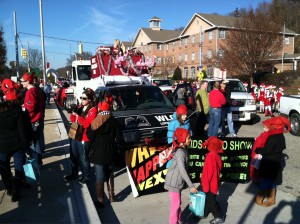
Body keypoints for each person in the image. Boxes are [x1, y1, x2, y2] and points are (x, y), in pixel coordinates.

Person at [87, 94, 124, 208]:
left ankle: (101, 200)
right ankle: (112, 195)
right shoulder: (114, 121)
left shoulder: (95, 122)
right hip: (111, 151)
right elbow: (119, 139)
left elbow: (90, 137)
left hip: (98, 152)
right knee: (110, 174)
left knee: (99, 177)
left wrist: (89, 150)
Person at [0, 79, 31, 202]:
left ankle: (9, 189)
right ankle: (16, 190)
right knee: (19, 168)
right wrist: (27, 148)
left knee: (4, 169)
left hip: (2, 145)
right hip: (17, 145)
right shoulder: (18, 111)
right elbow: (22, 132)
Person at [254, 116, 291, 207]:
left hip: (268, 163)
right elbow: (282, 147)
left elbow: (265, 150)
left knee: (264, 181)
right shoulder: (281, 136)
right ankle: (271, 199)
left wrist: (257, 149)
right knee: (272, 181)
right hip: (276, 162)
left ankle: (260, 199)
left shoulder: (272, 137)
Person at [164, 128, 198, 224]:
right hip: (174, 182)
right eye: (189, 138)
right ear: (183, 139)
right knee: (176, 204)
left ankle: (179, 220)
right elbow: (182, 170)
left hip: (177, 181)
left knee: (178, 203)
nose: (190, 140)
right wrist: (191, 186)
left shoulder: (182, 150)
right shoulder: (180, 153)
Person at [65, 88, 97, 184]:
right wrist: (73, 112)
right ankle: (74, 173)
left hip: (84, 136)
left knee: (83, 158)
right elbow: (72, 119)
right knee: (73, 155)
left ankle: (86, 176)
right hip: (75, 132)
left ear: (90, 100)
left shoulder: (93, 110)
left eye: (84, 98)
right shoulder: (80, 106)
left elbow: (87, 124)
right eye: (81, 98)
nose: (82, 100)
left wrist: (78, 116)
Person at [21, 73, 46, 174]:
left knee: (34, 143)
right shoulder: (36, 90)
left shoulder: (30, 92)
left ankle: (36, 165)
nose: (21, 83)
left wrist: (24, 111)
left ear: (27, 81)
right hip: (38, 119)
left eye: (23, 81)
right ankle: (38, 162)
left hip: (33, 120)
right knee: (37, 141)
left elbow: (30, 108)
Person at [201, 136, 225, 224]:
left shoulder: (210, 157)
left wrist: (205, 185)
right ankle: (205, 212)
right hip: (215, 182)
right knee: (209, 198)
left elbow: (208, 173)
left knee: (212, 200)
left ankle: (218, 216)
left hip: (210, 183)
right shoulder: (216, 155)